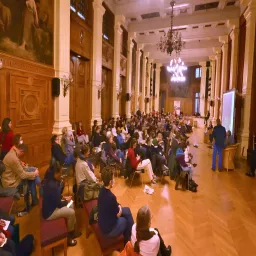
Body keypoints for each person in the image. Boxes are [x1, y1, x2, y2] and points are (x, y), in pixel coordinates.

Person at [42, 161, 81, 246]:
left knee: (71, 204)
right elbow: (59, 205)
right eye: (59, 172)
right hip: (51, 213)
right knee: (71, 212)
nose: (60, 174)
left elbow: (55, 197)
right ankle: (69, 236)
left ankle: (72, 228)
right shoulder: (53, 186)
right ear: (55, 173)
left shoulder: (48, 179)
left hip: (51, 206)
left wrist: (63, 198)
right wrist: (66, 201)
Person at [98, 167, 134, 245]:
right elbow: (118, 214)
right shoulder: (111, 197)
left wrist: (118, 205)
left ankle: (132, 236)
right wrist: (120, 207)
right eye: (113, 178)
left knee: (127, 210)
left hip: (103, 221)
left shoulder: (101, 190)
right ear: (110, 182)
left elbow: (113, 206)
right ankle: (128, 243)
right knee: (125, 220)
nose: (114, 180)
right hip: (108, 229)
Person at [2, 144, 39, 213]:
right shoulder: (13, 158)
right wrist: (35, 173)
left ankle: (34, 200)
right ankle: (29, 206)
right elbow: (22, 175)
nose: (22, 156)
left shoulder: (13, 152)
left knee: (31, 170)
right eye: (23, 154)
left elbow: (21, 167)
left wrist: (33, 170)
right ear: (22, 151)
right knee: (28, 180)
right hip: (10, 183)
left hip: (11, 178)